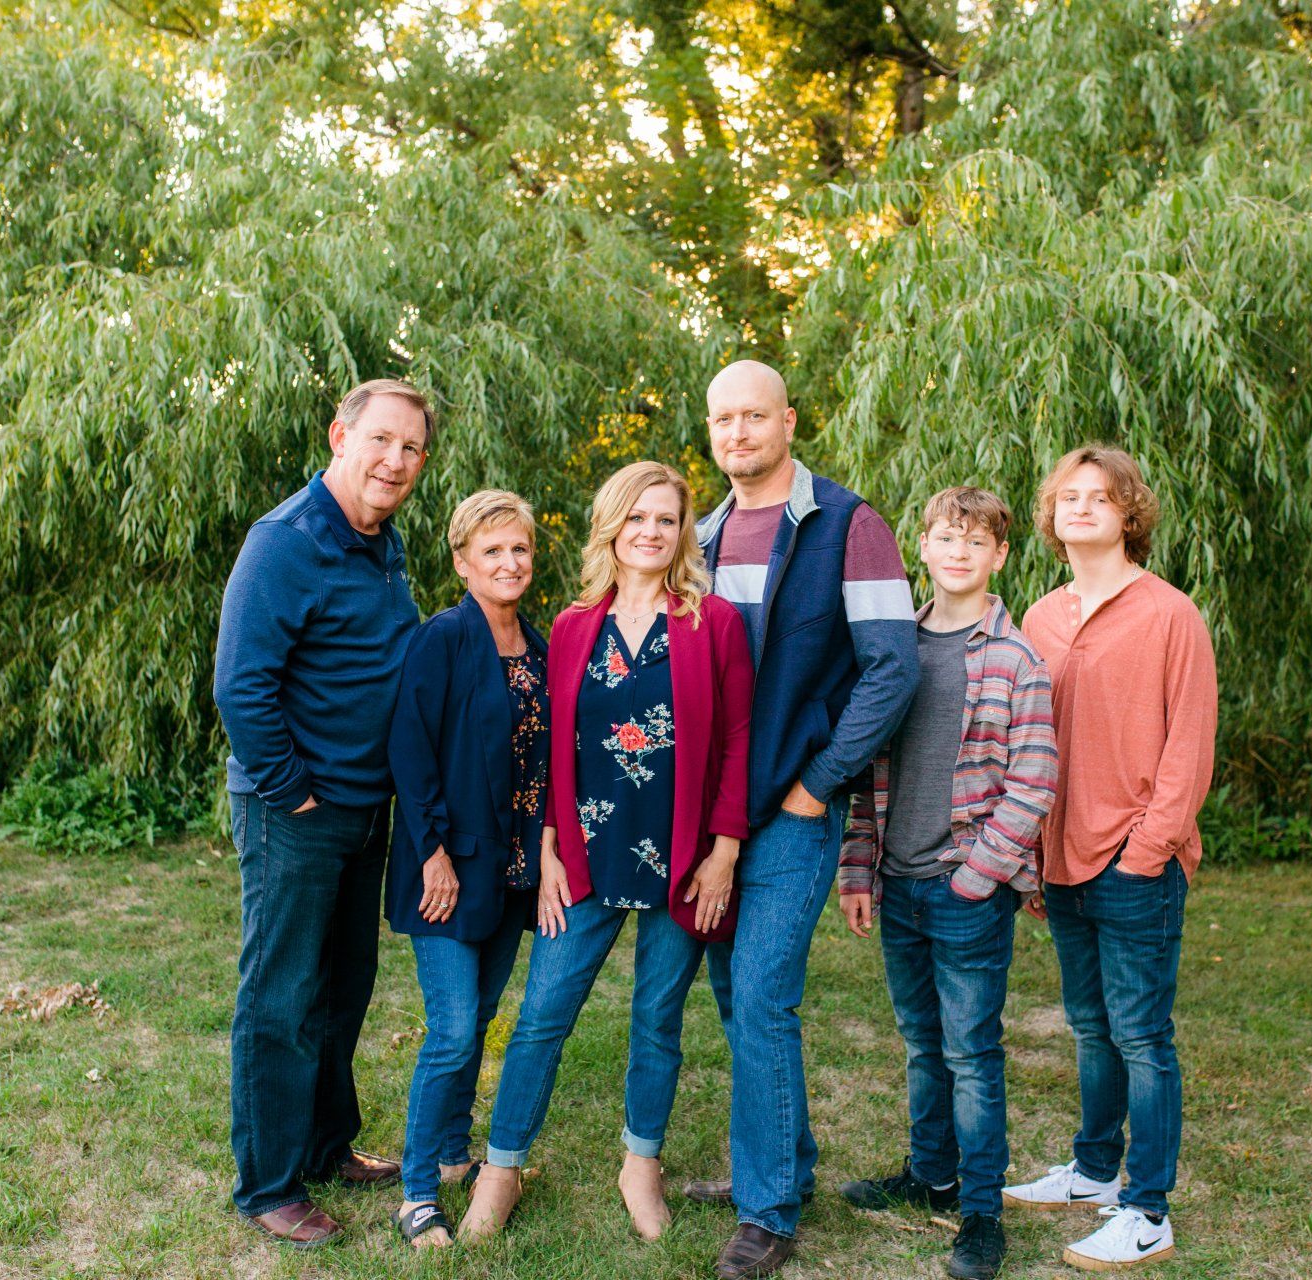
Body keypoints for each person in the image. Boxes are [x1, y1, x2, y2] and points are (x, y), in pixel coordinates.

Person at [462, 461, 753, 1243]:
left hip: (681, 857)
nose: (651, 532)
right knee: (541, 1015)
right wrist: (551, 848)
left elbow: (737, 740)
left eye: (666, 519)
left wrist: (724, 851)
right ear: (611, 528)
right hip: (587, 853)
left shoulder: (713, 623)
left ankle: (640, 1166)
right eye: (637, 517)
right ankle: (501, 1169)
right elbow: (556, 747)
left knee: (658, 1019)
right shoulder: (572, 626)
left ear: (682, 532)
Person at [686, 359, 918, 1279]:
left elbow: (892, 667)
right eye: (723, 419)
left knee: (762, 995)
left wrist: (818, 784)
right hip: (711, 814)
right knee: (734, 997)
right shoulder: (699, 535)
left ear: (788, 421)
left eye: (754, 416)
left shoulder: (850, 527)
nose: (738, 433)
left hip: (792, 806)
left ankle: (769, 1210)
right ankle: (779, 1163)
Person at [211, 378, 432, 1247]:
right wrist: (293, 789)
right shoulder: (286, 542)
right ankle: (269, 1185)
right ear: (340, 436)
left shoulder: (381, 540)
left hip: (365, 808)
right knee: (283, 998)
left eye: (411, 448)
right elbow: (241, 684)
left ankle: (326, 1144)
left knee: (345, 988)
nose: (395, 461)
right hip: (296, 812)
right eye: (381, 440)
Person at [1003, 445, 1217, 1272]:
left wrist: (1146, 851)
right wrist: (1033, 851)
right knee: (1091, 1027)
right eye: (1068, 497)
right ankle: (1094, 1171)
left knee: (1141, 1036)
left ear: (1130, 514)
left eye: (1100, 496)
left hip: (1134, 859)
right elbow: (1028, 744)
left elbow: (1188, 746)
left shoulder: (1170, 615)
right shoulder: (1040, 618)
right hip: (1059, 859)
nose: (1082, 507)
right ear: (1051, 518)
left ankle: (1147, 1210)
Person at [837, 486, 1058, 1280]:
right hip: (897, 882)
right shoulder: (896, 650)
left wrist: (979, 874)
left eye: (975, 541)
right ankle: (930, 1175)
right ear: (922, 548)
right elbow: (868, 771)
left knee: (971, 1051)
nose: (958, 551)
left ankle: (981, 1212)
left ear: (1000, 555)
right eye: (945, 537)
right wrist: (859, 867)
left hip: (967, 888)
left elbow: (1034, 779)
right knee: (922, 1044)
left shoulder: (1016, 659)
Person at [385, 490, 550, 1249]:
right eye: (492, 551)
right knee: (451, 1033)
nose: (508, 563)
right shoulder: (443, 639)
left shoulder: (539, 649)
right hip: (447, 869)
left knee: (479, 1019)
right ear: (462, 562)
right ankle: (418, 1193)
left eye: (519, 549)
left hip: (513, 874)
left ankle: (455, 1152)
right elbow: (409, 750)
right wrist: (432, 855)